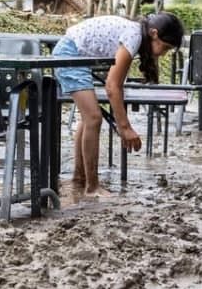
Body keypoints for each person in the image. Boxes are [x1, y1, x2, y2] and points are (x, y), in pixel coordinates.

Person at [53, 12, 185, 197]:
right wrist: (124, 127)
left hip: (74, 52)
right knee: (93, 118)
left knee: (88, 119)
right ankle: (92, 187)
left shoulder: (136, 34)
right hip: (70, 53)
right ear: (154, 34)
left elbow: (116, 85)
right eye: (165, 47)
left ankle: (79, 177)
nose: (163, 53)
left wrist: (123, 124)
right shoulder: (134, 36)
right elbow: (113, 87)